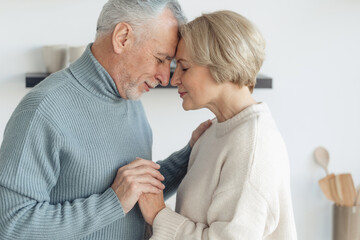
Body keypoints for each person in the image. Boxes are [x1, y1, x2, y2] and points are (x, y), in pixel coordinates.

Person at [0, 0, 211, 239]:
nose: (165, 78)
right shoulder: (43, 109)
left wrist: (192, 152)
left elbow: (136, 188)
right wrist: (112, 202)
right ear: (122, 38)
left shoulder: (131, 100)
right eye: (160, 59)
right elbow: (11, 225)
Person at [138, 10, 297, 239]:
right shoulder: (215, 132)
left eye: (184, 67)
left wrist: (159, 215)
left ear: (222, 63)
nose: (174, 79)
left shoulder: (253, 147)